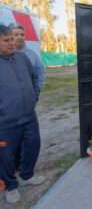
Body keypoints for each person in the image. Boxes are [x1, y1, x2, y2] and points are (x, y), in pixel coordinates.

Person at [0, 25, 45, 204]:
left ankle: (27, 176)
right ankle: (11, 186)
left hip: (29, 115)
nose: (12, 42)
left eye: (13, 38)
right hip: (5, 122)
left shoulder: (22, 57)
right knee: (6, 156)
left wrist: (34, 95)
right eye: (7, 40)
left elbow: (34, 77)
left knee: (33, 145)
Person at [11, 24, 45, 93]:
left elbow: (40, 74)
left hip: (29, 97)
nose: (20, 37)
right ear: (10, 37)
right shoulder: (5, 54)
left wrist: (36, 91)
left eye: (22, 35)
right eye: (16, 35)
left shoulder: (32, 55)